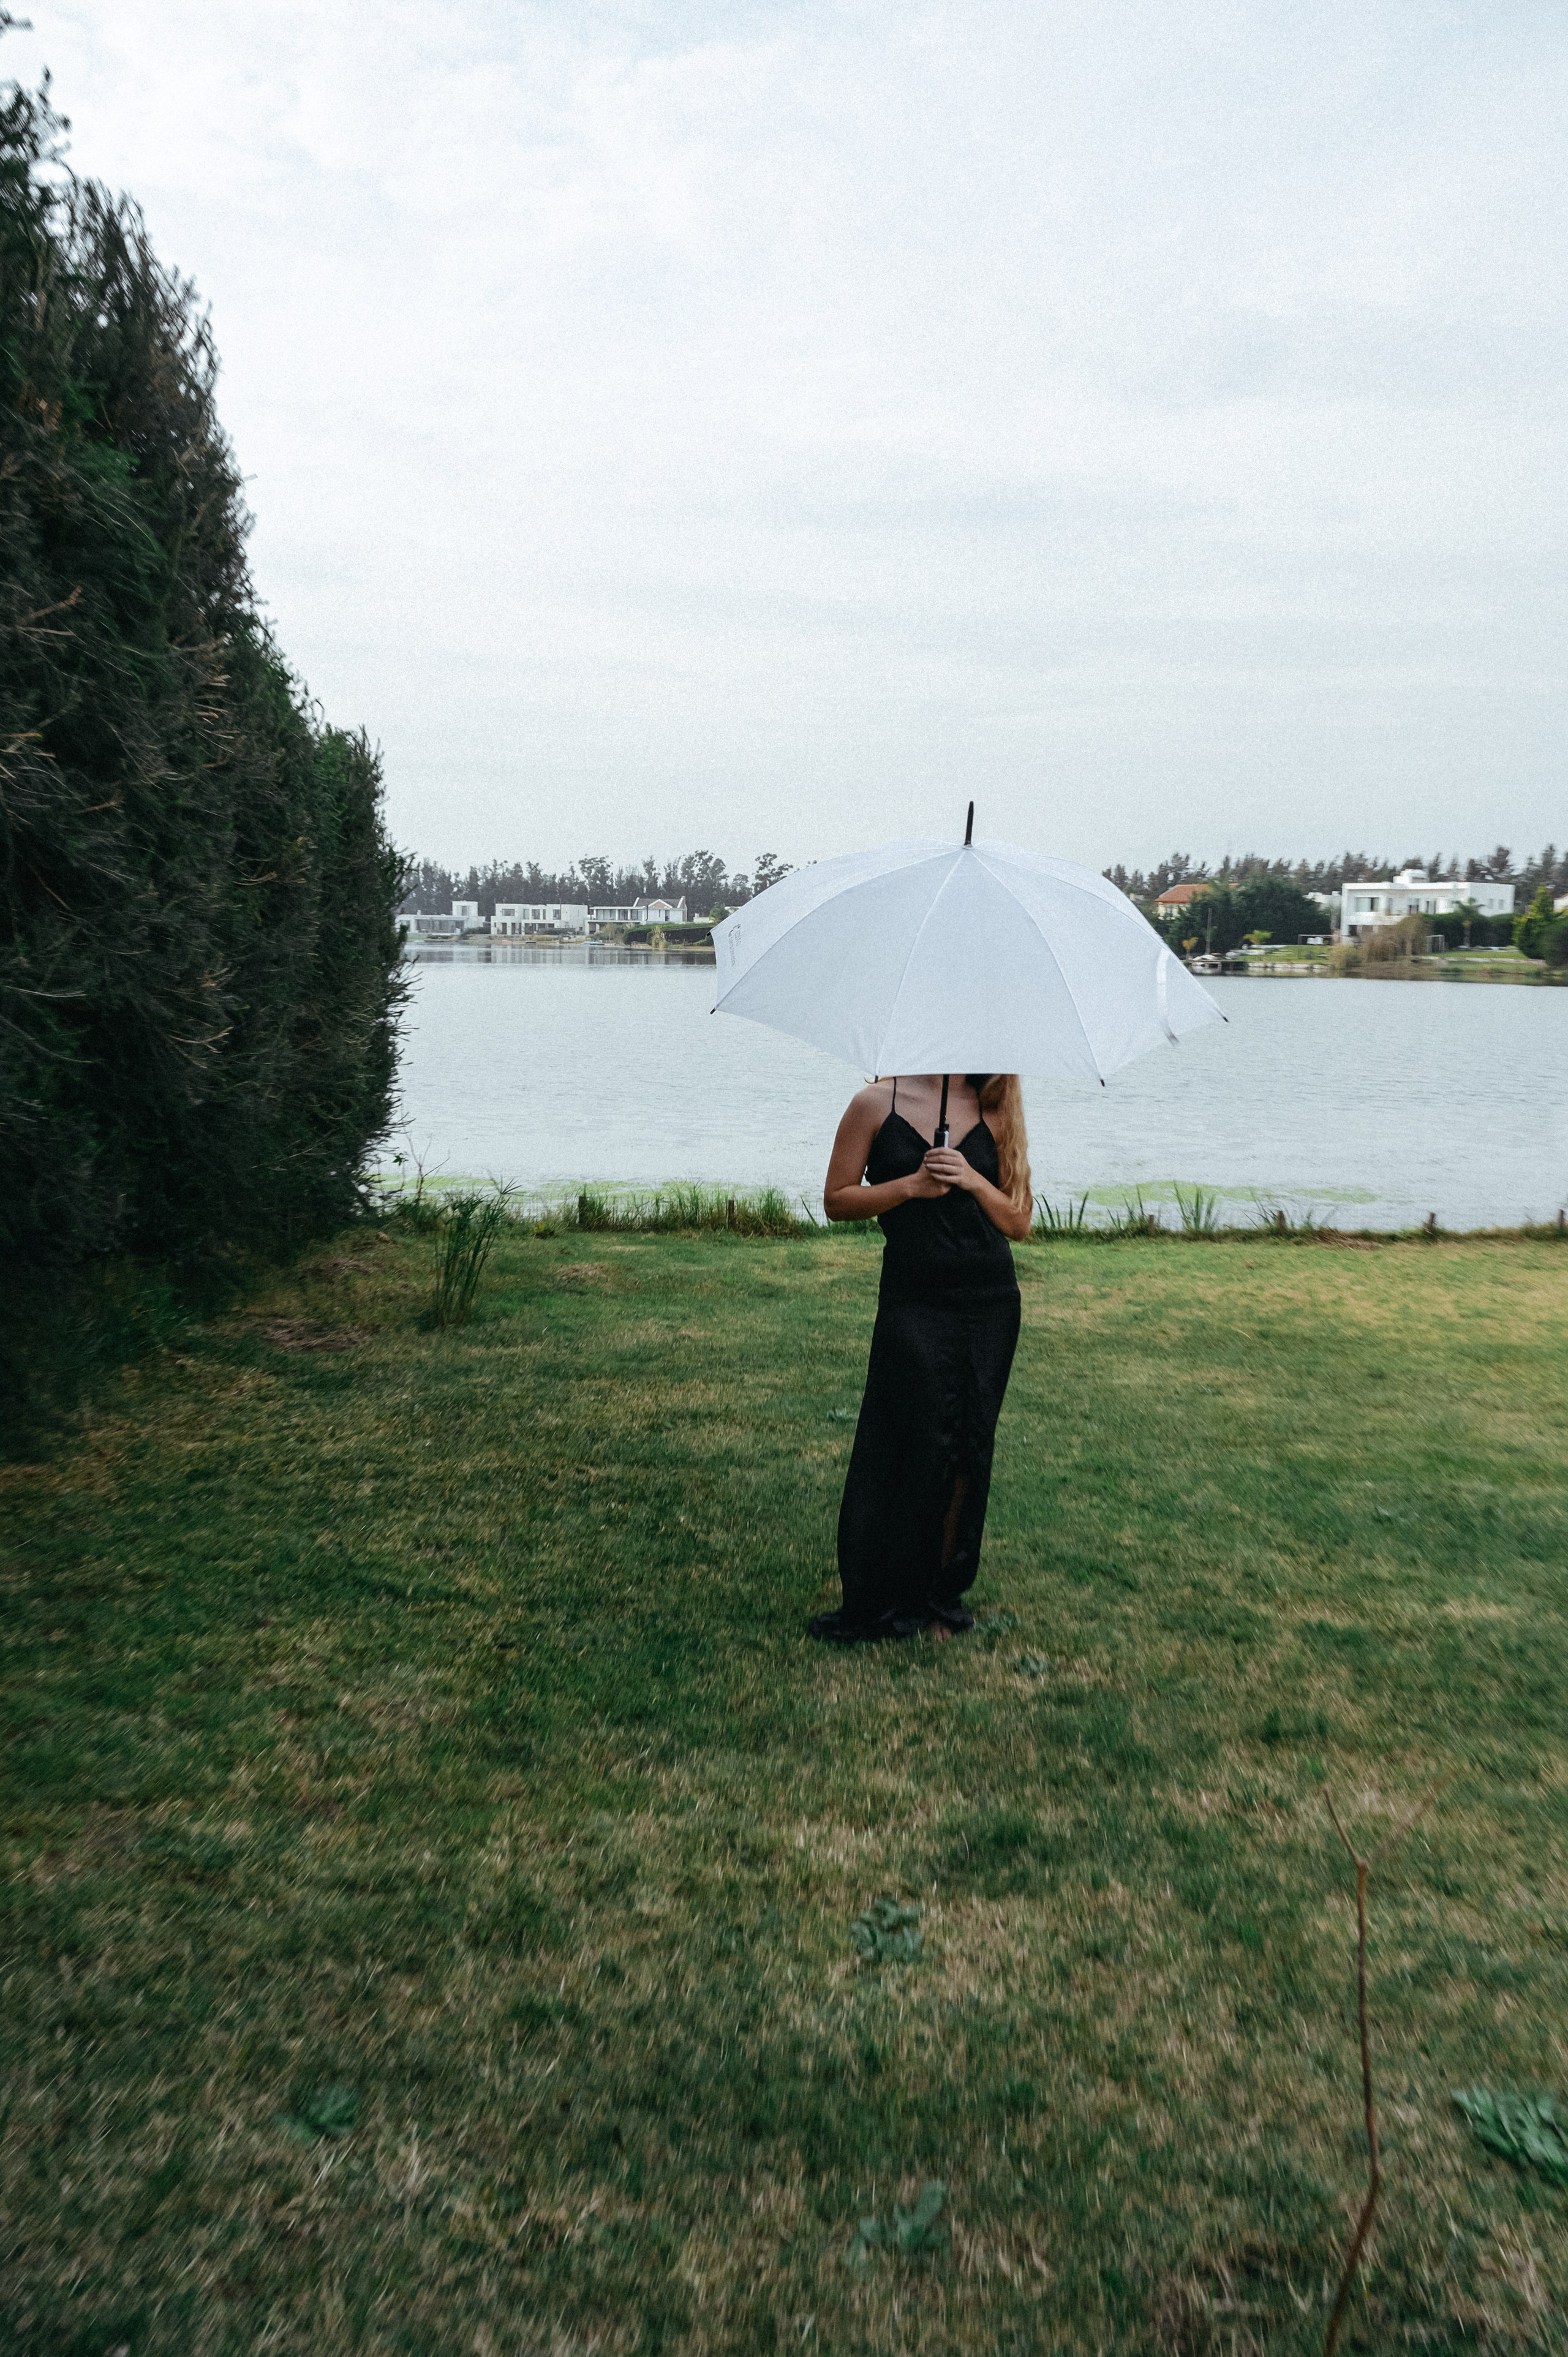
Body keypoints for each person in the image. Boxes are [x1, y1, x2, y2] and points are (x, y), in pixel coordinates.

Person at [810, 1072, 1033, 1643]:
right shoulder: (873, 1104)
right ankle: (885, 1591)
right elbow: (836, 1201)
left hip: (989, 1302)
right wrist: (910, 1185)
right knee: (907, 1439)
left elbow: (1019, 1220)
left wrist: (972, 1180)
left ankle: (940, 1595)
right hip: (913, 1298)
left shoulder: (996, 1105)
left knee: (966, 1449)